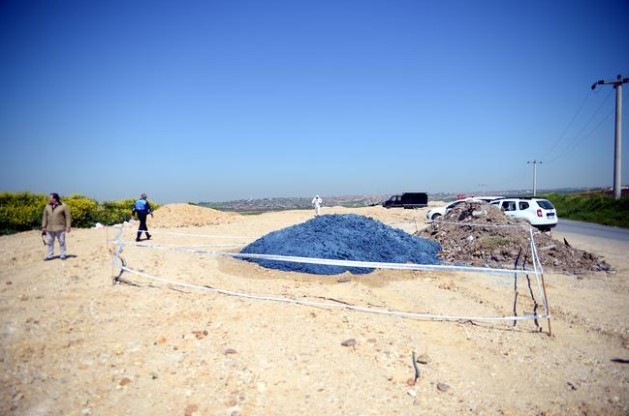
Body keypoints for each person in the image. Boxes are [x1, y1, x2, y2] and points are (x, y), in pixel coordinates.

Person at [41, 192, 72, 261]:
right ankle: (50, 255)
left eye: (50, 198)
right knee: (49, 242)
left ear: (55, 199)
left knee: (61, 241)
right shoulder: (47, 206)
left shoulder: (63, 206)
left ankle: (63, 254)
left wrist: (68, 226)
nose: (49, 199)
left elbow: (68, 217)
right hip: (49, 228)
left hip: (60, 227)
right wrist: (43, 226)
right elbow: (44, 217)